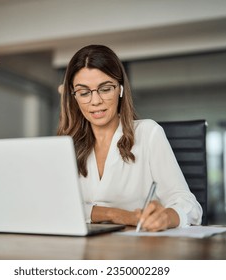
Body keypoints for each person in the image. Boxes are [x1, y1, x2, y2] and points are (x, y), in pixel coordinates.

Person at [57, 44, 202, 231]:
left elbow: (189, 204)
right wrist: (119, 215)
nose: (95, 101)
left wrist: (167, 217)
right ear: (74, 96)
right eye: (84, 92)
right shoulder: (66, 144)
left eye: (105, 89)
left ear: (121, 89)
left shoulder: (148, 133)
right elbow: (60, 207)